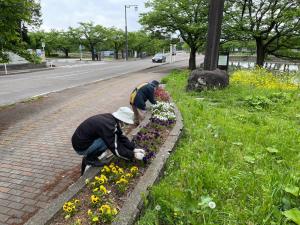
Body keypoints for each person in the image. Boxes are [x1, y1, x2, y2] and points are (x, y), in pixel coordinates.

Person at [71, 107, 145, 175]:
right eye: (126, 123)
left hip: (82, 142)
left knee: (112, 138)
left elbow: (120, 136)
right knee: (107, 142)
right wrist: (132, 155)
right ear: (122, 120)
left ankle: (91, 157)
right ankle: (90, 159)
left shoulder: (111, 119)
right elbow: (115, 148)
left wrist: (133, 148)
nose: (126, 125)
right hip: (81, 147)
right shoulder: (108, 126)